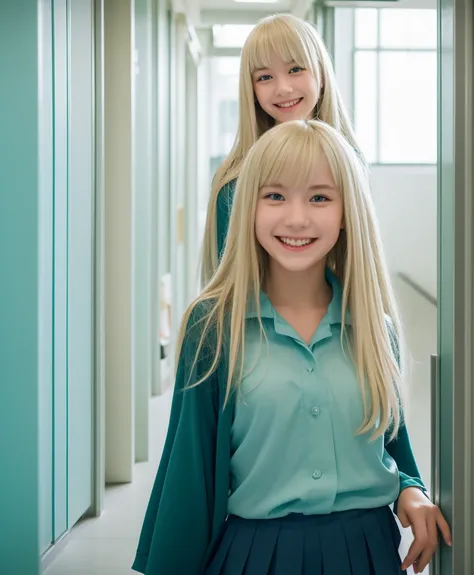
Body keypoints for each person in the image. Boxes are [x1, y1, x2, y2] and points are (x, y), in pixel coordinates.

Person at [132, 120, 451, 575]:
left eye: (320, 197)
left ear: (347, 212)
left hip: (369, 553)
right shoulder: (213, 328)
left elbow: (389, 445)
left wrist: (410, 488)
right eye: (275, 195)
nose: (297, 218)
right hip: (255, 555)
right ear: (249, 209)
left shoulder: (377, 330)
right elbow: (189, 474)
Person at [201, 12, 363, 286]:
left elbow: (358, 265)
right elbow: (226, 288)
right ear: (251, 89)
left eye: (296, 69)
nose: (283, 88)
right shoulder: (233, 183)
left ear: (321, 75)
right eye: (264, 77)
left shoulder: (350, 165)